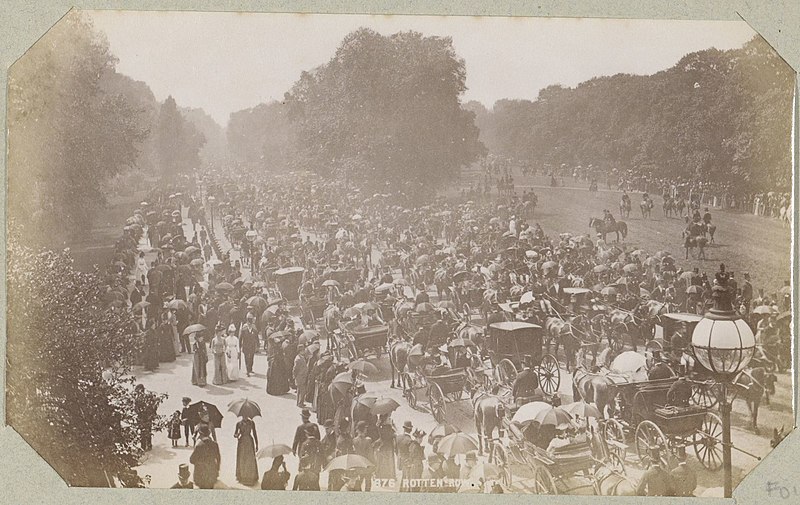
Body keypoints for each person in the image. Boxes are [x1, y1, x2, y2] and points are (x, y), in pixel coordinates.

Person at [190, 424, 221, 489]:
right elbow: (218, 458)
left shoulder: (199, 446)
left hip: (200, 474)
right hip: (212, 473)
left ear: (200, 434)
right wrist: (217, 469)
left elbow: (192, 460)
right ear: (209, 433)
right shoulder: (215, 444)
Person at [234, 414, 259, 486]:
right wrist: (237, 434)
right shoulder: (238, 424)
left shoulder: (251, 423)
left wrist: (257, 444)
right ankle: (242, 477)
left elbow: (254, 433)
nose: (245, 416)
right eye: (244, 414)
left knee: (250, 459)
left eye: (246, 414)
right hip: (241, 442)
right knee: (242, 459)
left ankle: (251, 477)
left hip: (249, 442)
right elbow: (235, 434)